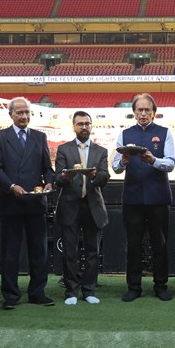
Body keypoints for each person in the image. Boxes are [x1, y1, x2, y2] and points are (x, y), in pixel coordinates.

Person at [0, 97, 55, 309]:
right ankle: (10, 295)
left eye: (27, 112)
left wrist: (49, 183)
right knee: (10, 253)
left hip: (35, 203)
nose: (24, 116)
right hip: (11, 202)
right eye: (19, 112)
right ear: (10, 114)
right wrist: (11, 186)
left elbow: (47, 168)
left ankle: (37, 293)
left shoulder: (39, 136)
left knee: (39, 252)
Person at [114, 93, 175, 301]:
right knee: (133, 244)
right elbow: (115, 168)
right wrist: (123, 161)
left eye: (147, 110)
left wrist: (153, 160)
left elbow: (170, 163)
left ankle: (161, 286)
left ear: (153, 112)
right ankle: (134, 287)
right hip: (132, 198)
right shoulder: (125, 134)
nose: (143, 113)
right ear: (134, 112)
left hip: (158, 197)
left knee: (160, 243)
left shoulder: (164, 133)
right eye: (139, 110)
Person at [54, 111, 110, 306]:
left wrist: (94, 176)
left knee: (93, 252)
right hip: (69, 205)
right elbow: (58, 179)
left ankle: (89, 290)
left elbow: (105, 177)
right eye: (80, 124)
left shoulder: (101, 151)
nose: (84, 127)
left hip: (93, 206)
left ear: (91, 126)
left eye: (87, 123)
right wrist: (67, 176)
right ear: (74, 127)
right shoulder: (63, 149)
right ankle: (71, 291)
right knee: (70, 252)